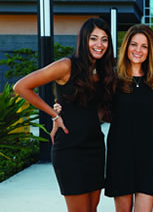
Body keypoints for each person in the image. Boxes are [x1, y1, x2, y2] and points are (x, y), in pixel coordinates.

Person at [13, 18, 116, 212]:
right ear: (84, 40)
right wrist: (54, 114)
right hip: (70, 149)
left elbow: (99, 113)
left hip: (95, 148)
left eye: (104, 39)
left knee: (92, 209)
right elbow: (21, 87)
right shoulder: (66, 65)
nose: (99, 45)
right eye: (94, 38)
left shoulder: (102, 73)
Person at [104, 24, 153, 212]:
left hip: (147, 158)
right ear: (126, 46)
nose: (138, 50)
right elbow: (92, 106)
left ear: (150, 50)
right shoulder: (112, 79)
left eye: (144, 46)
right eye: (134, 44)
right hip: (120, 156)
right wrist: (58, 112)